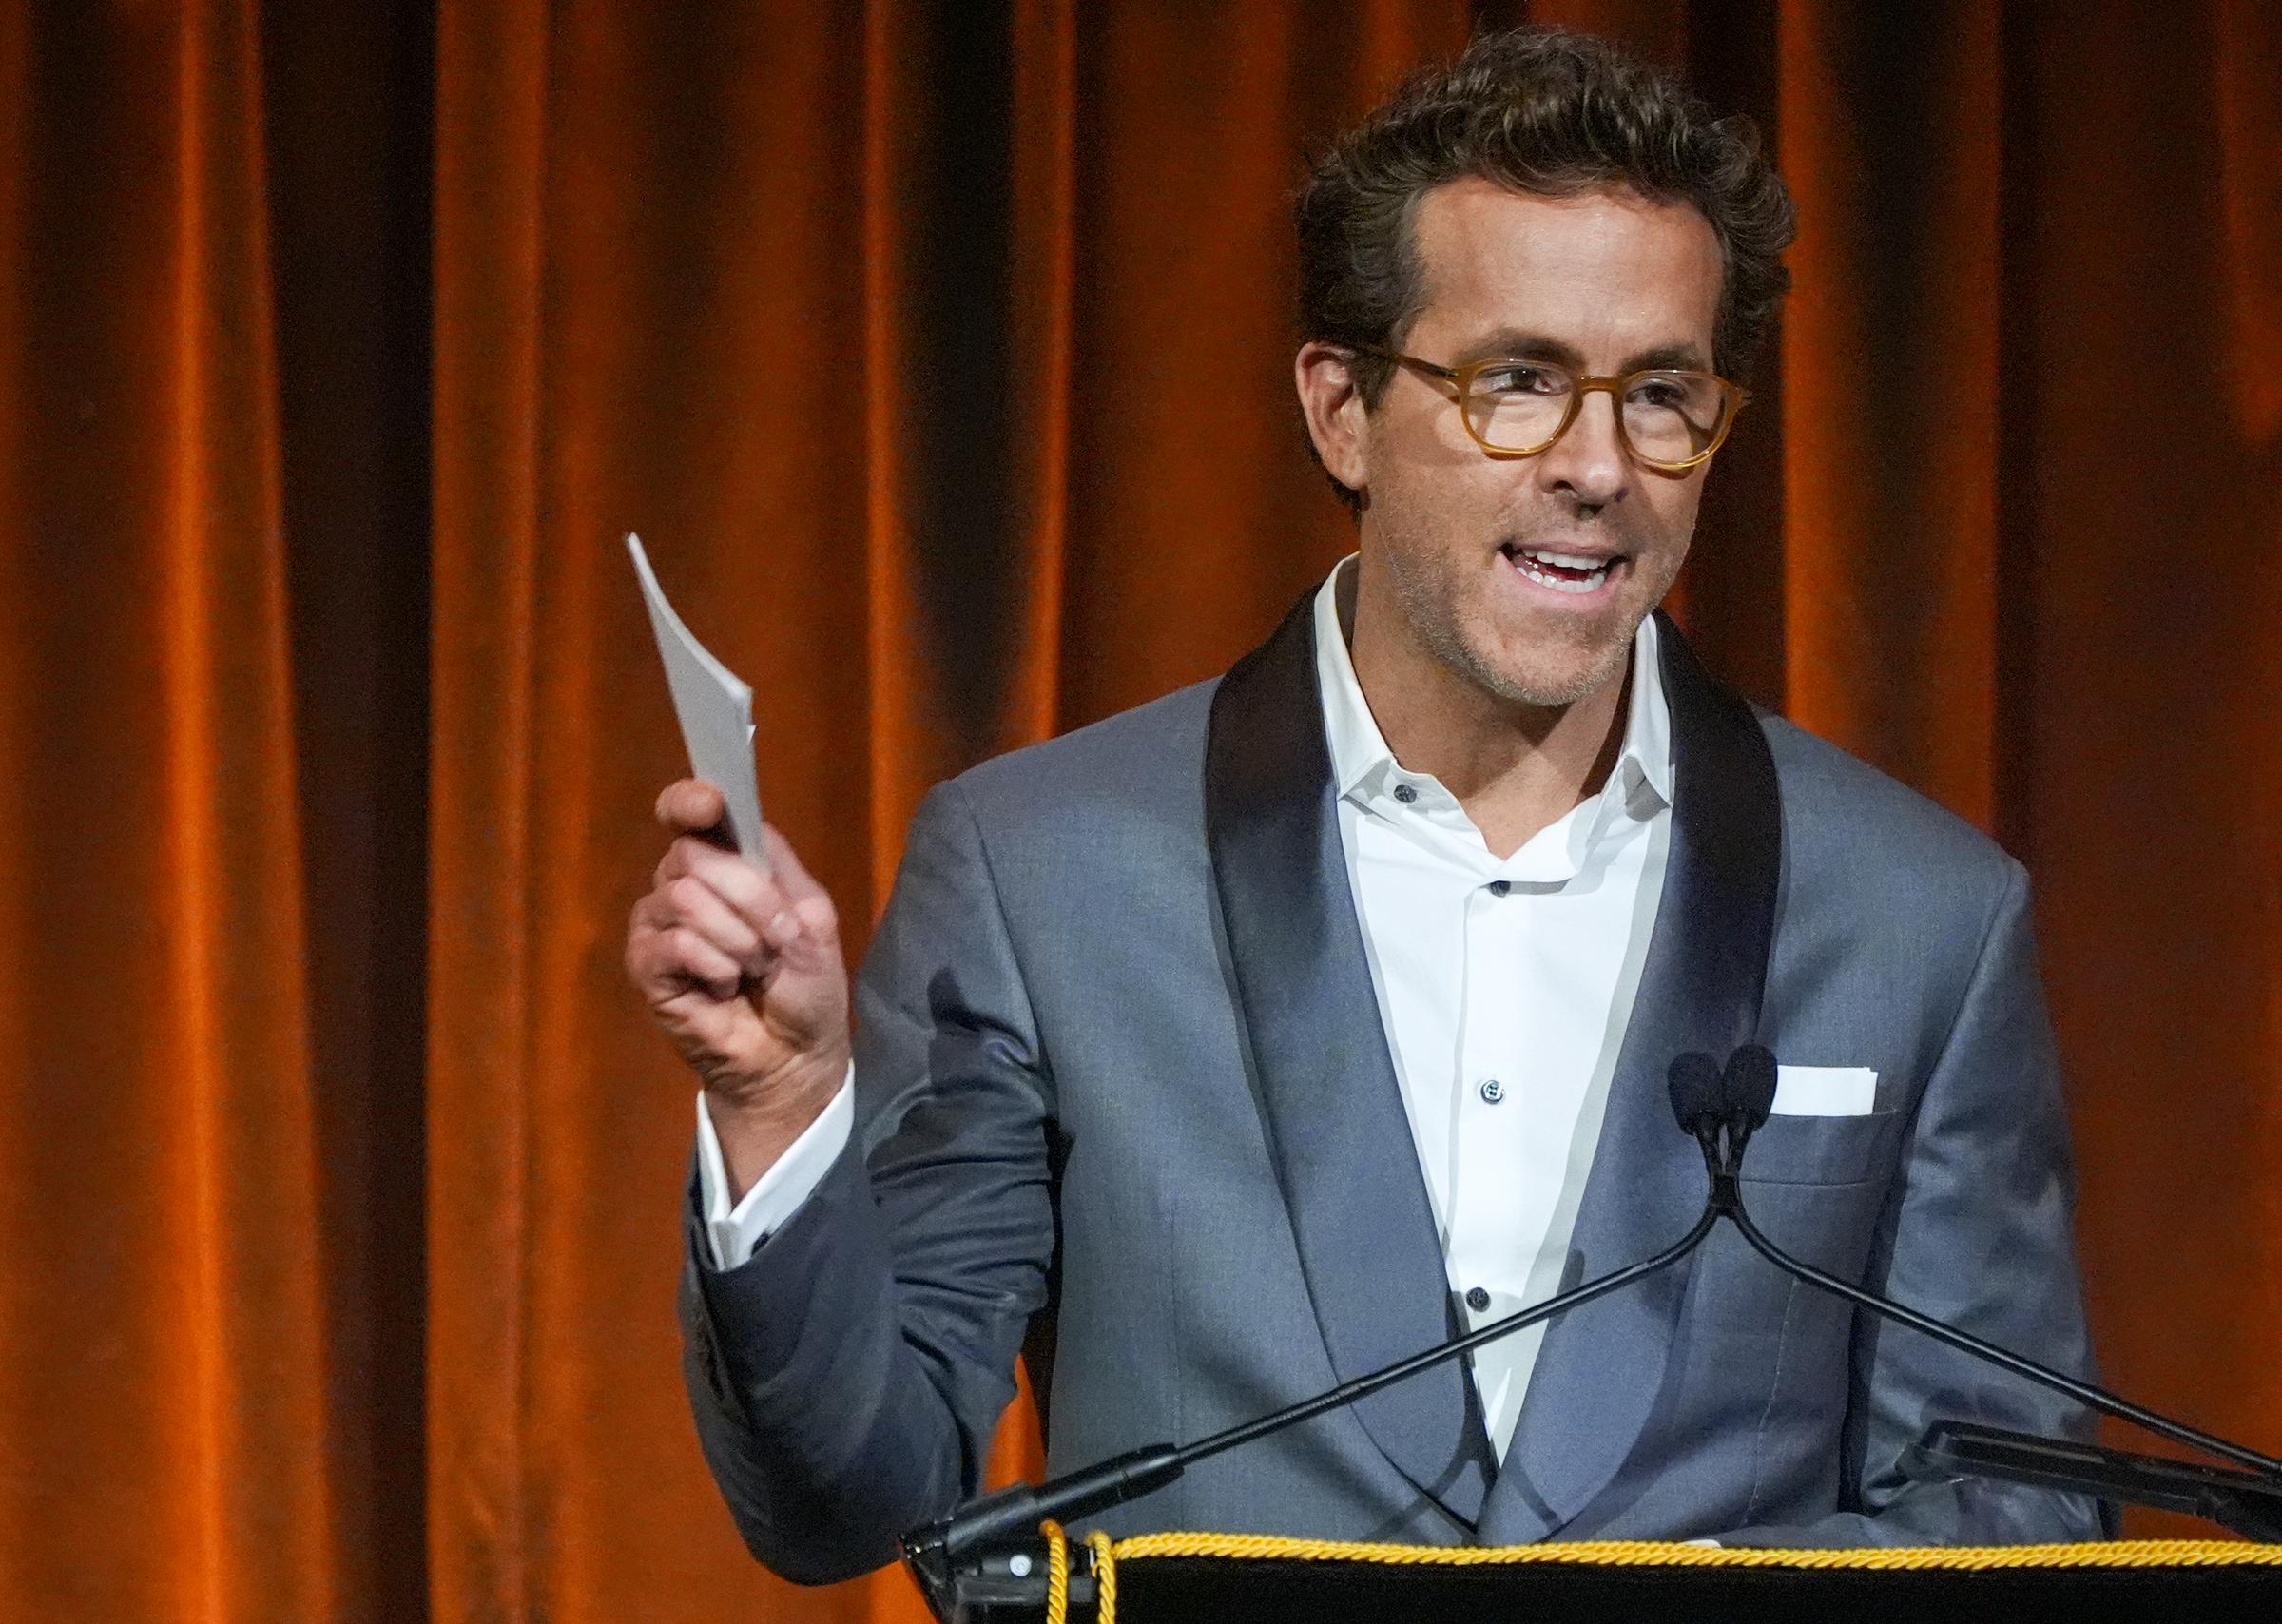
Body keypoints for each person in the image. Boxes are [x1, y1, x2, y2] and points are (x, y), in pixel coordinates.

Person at [623, 27, 2105, 1585]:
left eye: (1663, 394)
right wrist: (781, 1113)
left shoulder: (1922, 914)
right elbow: (849, 1496)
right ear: (1341, 409)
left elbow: (2009, 1517)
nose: (1602, 466)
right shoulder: (1040, 873)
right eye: (1518, 383)